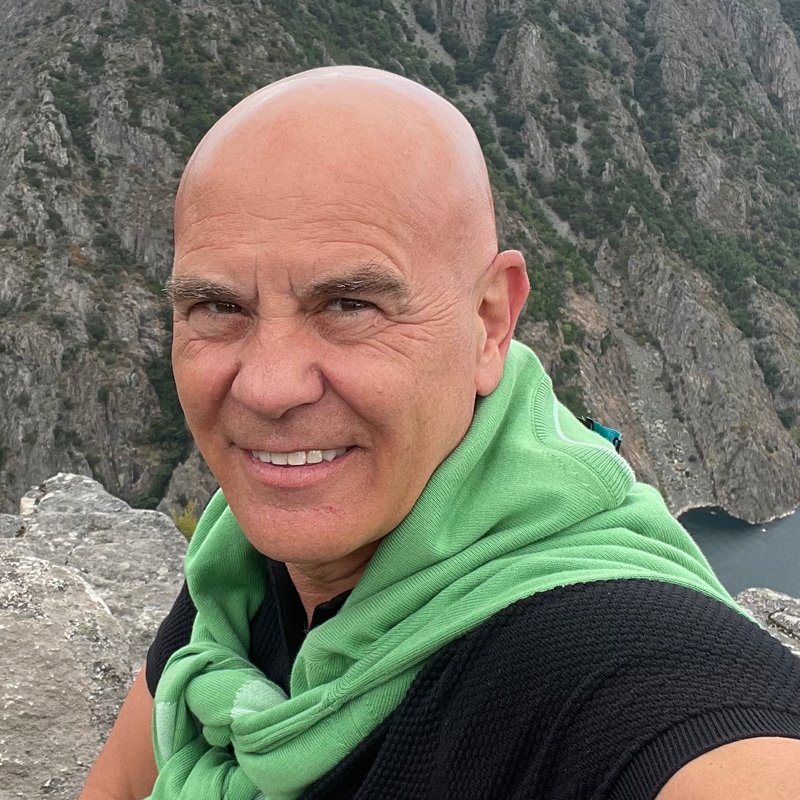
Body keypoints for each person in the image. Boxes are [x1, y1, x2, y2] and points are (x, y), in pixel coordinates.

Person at [81, 66, 800, 800]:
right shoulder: (238, 568)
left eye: (349, 305)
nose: (268, 387)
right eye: (217, 307)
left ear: (490, 322)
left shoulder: (603, 656)